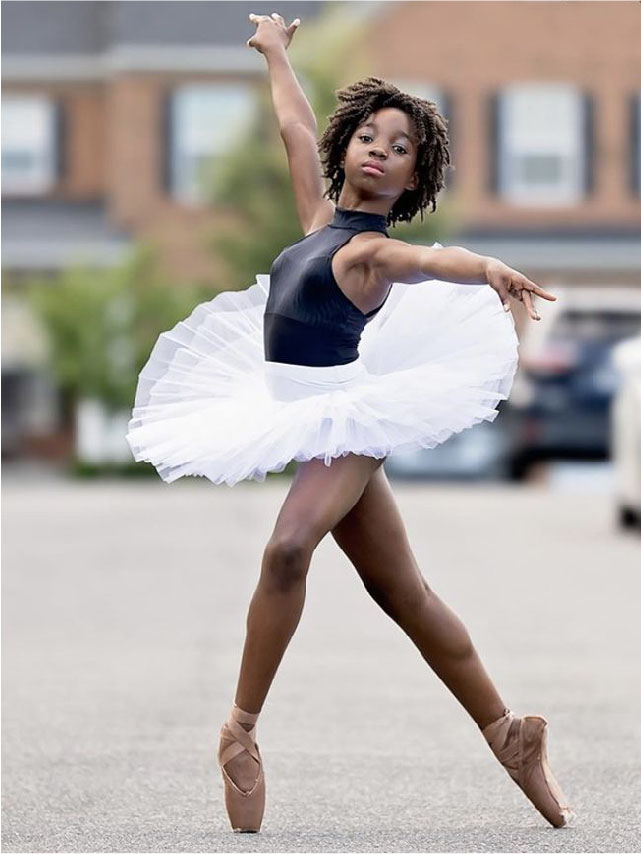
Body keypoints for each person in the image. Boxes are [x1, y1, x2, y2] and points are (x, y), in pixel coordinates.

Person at [125, 10, 575, 834]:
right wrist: (274, 53)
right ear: (350, 147)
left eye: (399, 147)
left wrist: (486, 270)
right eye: (370, 135)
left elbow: (428, 260)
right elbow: (297, 128)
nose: (378, 149)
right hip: (298, 410)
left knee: (287, 546)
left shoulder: (368, 252)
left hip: (346, 420)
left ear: (411, 180)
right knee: (400, 590)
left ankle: (240, 732)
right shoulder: (313, 225)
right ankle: (509, 735)